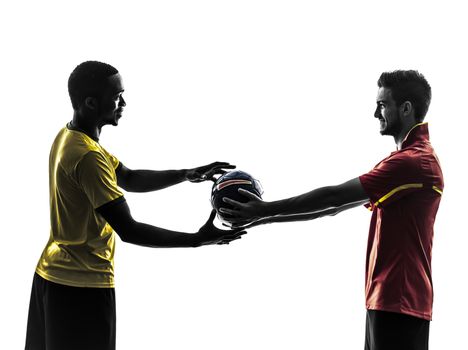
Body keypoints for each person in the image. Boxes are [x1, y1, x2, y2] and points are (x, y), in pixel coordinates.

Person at [25, 61, 245, 350]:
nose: (123, 103)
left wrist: (186, 174)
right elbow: (129, 230)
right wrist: (196, 240)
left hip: (50, 277)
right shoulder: (88, 157)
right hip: (80, 289)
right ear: (91, 103)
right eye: (117, 96)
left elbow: (128, 177)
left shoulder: (71, 137)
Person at [221, 70, 443, 350]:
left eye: (382, 104)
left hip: (400, 300)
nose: (375, 113)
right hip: (389, 300)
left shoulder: (413, 163)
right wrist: (263, 216)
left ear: (406, 108)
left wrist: (264, 210)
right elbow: (334, 208)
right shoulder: (406, 161)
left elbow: (334, 197)